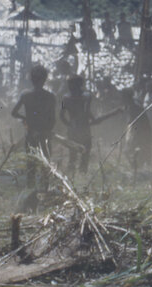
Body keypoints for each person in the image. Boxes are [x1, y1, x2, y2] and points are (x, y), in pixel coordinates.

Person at [12, 64, 57, 192]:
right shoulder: (50, 96)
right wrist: (46, 130)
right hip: (44, 135)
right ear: (45, 79)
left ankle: (31, 190)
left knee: (31, 163)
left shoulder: (26, 95)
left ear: (31, 79)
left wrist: (26, 120)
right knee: (45, 164)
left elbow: (14, 113)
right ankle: (44, 190)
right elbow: (53, 119)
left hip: (31, 135)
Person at [60, 74, 94, 176]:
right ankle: (78, 173)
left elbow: (61, 115)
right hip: (82, 127)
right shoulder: (86, 96)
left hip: (76, 127)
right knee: (81, 151)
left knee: (76, 152)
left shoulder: (66, 98)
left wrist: (69, 125)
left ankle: (77, 174)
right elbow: (88, 112)